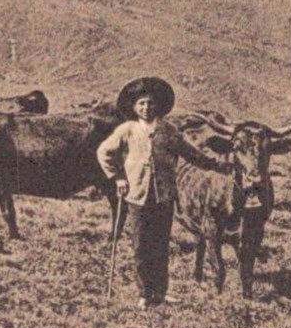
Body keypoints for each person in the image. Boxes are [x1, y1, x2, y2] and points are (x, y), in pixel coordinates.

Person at [96, 77, 228, 307]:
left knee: (161, 245)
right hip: (136, 196)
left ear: (158, 106)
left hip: (164, 196)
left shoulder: (168, 130)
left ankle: (161, 290)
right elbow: (104, 152)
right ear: (134, 107)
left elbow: (190, 153)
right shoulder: (127, 130)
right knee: (141, 246)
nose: (146, 108)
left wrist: (215, 164)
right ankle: (145, 293)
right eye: (142, 104)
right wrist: (117, 177)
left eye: (150, 104)